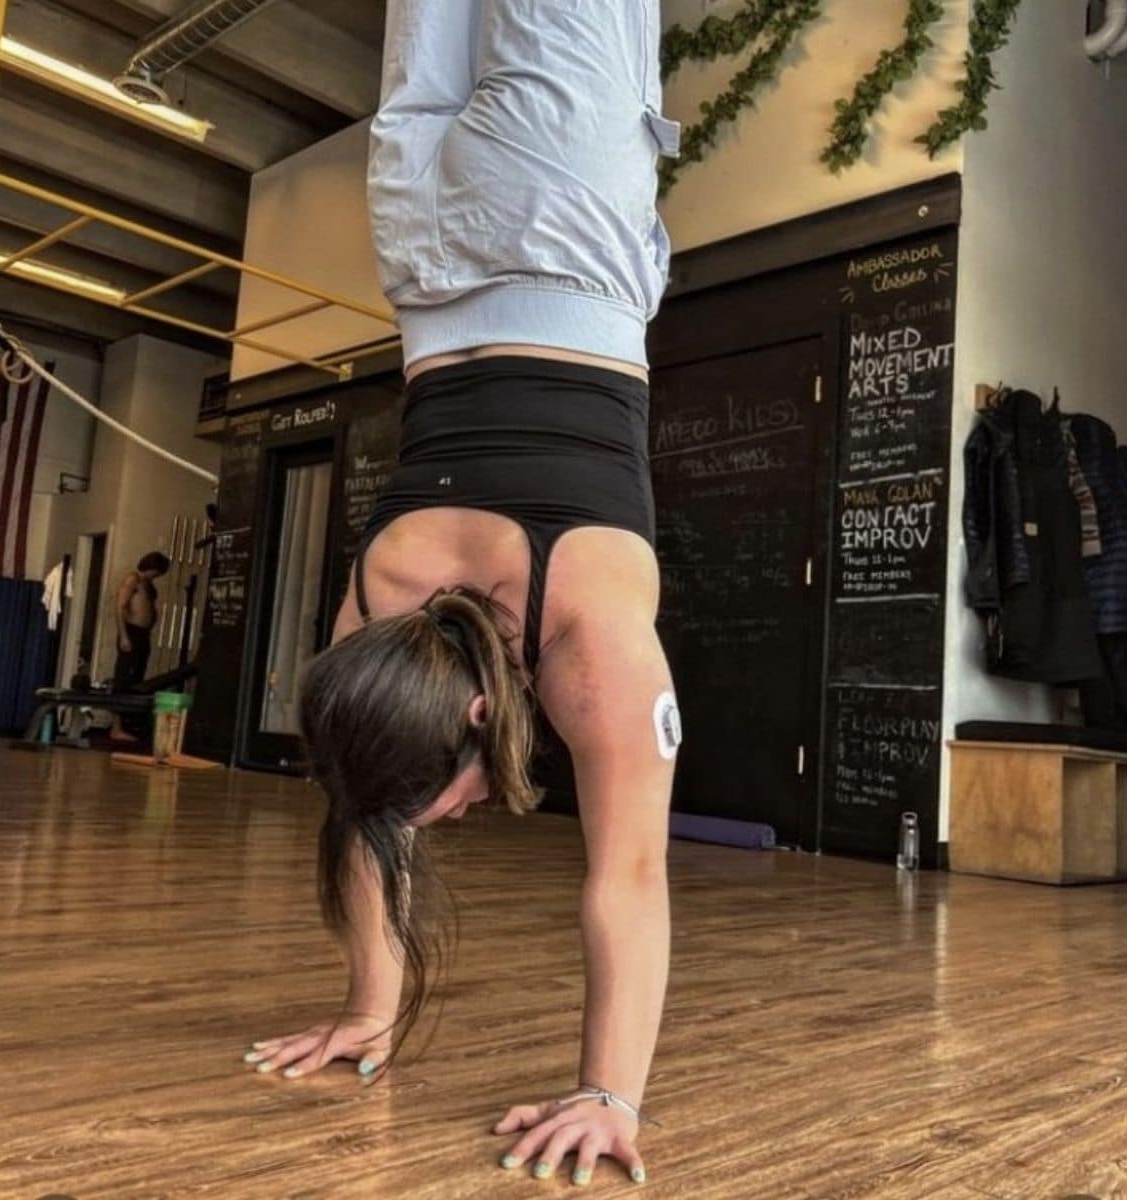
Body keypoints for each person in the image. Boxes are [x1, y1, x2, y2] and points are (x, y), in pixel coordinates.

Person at [244, 0, 682, 1187]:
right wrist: (369, 1016)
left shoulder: (587, 640)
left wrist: (610, 1095)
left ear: (483, 714)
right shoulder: (376, 616)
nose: (450, 820)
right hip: (424, 250)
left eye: (448, 800)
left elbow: (630, 877)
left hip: (567, 207)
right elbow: (362, 812)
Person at [109, 550, 170, 741]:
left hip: (143, 635)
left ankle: (128, 724)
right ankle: (116, 727)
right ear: (152, 567)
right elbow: (120, 606)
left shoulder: (149, 585)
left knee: (137, 680)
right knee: (123, 679)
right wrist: (124, 636)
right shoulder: (133, 579)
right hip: (131, 632)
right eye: (157, 572)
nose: (157, 576)